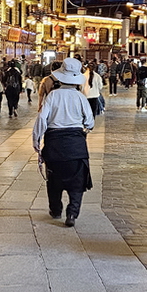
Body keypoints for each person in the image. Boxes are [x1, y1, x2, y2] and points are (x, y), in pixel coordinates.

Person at [33, 57, 94, 227]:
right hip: (76, 145)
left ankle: (56, 210)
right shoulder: (80, 97)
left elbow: (42, 119)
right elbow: (90, 122)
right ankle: (72, 213)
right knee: (77, 182)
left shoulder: (53, 96)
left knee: (54, 180)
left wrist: (36, 140)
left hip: (54, 144)